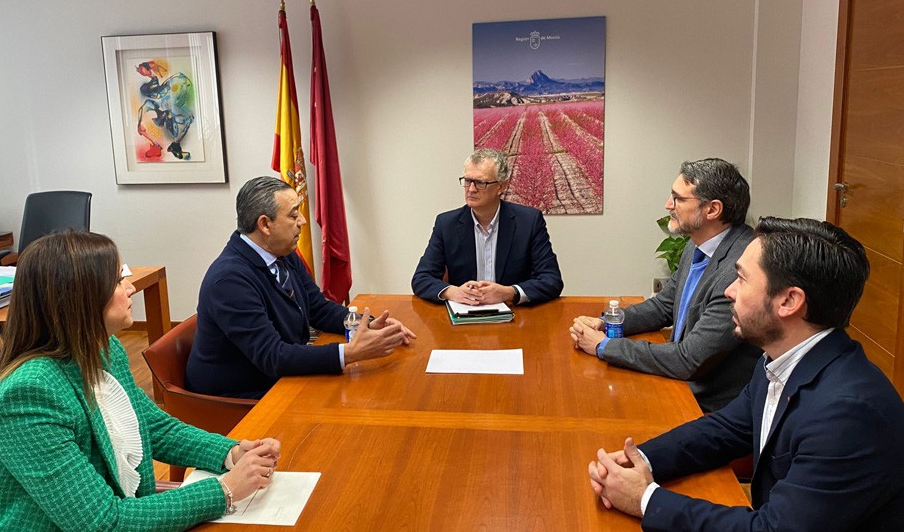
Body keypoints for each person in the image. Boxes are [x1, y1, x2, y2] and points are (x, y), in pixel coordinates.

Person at [588, 217, 904, 530]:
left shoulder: (848, 413)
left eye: (741, 279)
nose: (729, 291)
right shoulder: (780, 359)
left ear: (789, 301)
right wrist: (640, 458)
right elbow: (725, 430)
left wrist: (645, 500)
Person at [0, 231, 281, 530]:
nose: (131, 288)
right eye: (119, 280)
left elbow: (154, 428)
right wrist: (224, 491)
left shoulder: (103, 348)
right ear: (82, 298)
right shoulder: (27, 396)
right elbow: (103, 522)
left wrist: (230, 452)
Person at [186, 176, 415, 399]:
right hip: (239, 396)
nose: (303, 221)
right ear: (265, 224)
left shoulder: (282, 253)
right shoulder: (229, 280)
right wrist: (350, 353)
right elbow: (272, 356)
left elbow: (318, 308)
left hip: (277, 376)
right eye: (293, 215)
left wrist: (368, 324)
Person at [570, 158, 760, 412]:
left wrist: (604, 345)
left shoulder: (740, 267)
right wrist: (607, 323)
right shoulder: (697, 243)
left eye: (678, 198)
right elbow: (663, 306)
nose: (668, 205)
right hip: (681, 385)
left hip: (709, 407)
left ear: (712, 210)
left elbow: (689, 359)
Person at [411, 148, 563, 306]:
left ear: (501, 187)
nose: (471, 189)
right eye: (467, 181)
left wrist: (509, 292)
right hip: (464, 312)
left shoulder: (529, 222)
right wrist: (453, 292)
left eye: (480, 183)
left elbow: (551, 279)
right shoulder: (446, 224)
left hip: (514, 313)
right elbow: (421, 278)